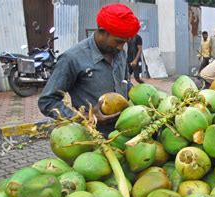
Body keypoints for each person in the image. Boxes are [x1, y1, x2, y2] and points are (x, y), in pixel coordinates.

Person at [38, 4, 140, 135]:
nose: (121, 47)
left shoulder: (119, 53)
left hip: (123, 134)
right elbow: (47, 101)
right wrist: (87, 117)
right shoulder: (72, 58)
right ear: (102, 31)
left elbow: (124, 83)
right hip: (91, 138)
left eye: (125, 42)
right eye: (118, 41)